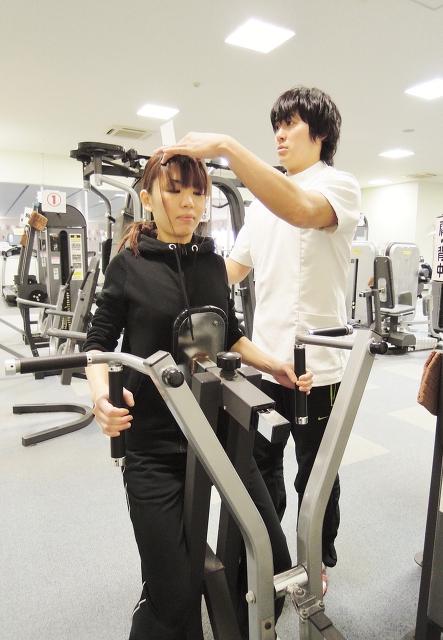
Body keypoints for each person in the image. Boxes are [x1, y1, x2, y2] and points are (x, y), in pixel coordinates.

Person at [82, 153, 312, 640]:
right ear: (148, 199)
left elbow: (232, 334)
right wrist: (101, 398)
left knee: (272, 561)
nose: (190, 202)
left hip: (220, 436)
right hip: (155, 447)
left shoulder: (212, 263)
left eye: (198, 191)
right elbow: (98, 345)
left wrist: (275, 366)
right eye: (175, 190)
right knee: (172, 597)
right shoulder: (128, 266)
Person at [159, 85, 361, 592]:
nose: (280, 135)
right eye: (276, 126)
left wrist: (228, 146)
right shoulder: (262, 203)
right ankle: (271, 557)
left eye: (290, 124)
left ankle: (316, 561)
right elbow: (230, 270)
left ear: (321, 132)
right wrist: (168, 272)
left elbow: (301, 210)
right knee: (259, 468)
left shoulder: (339, 187)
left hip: (318, 368)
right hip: (264, 363)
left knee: (316, 475)